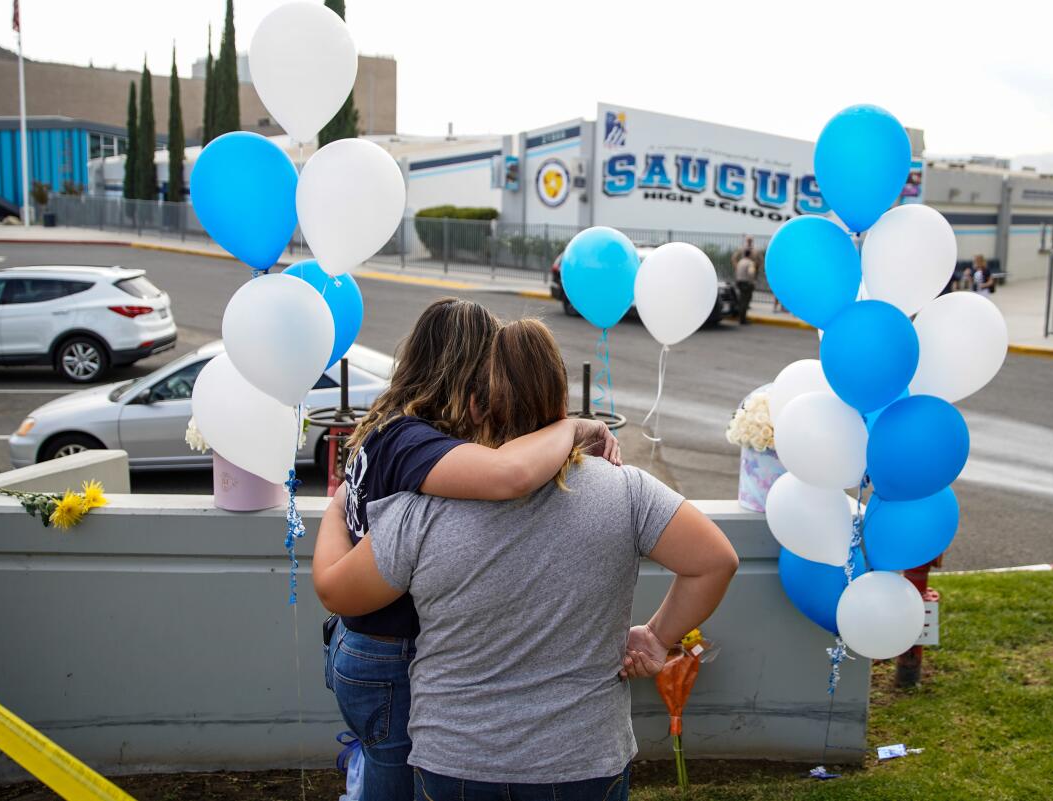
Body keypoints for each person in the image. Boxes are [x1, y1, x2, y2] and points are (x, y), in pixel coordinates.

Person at [314, 318, 739, 800]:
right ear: (561, 400)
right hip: (584, 758)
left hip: (456, 761)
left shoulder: (420, 509)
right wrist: (657, 637)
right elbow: (716, 561)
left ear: (474, 405)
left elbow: (339, 593)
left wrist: (338, 501)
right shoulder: (626, 491)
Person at [314, 299, 621, 801]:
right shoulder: (415, 442)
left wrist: (335, 509)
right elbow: (511, 475)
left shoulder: (389, 423)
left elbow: (346, 508)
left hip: (360, 649)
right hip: (390, 659)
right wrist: (570, 427)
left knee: (381, 774)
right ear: (466, 368)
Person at [733, 247, 757, 324]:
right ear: (750, 255)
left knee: (741, 300)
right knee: (745, 301)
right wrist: (752, 282)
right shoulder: (750, 263)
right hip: (746, 283)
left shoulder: (741, 261)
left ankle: (741, 318)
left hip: (739, 282)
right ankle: (742, 319)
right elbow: (751, 273)